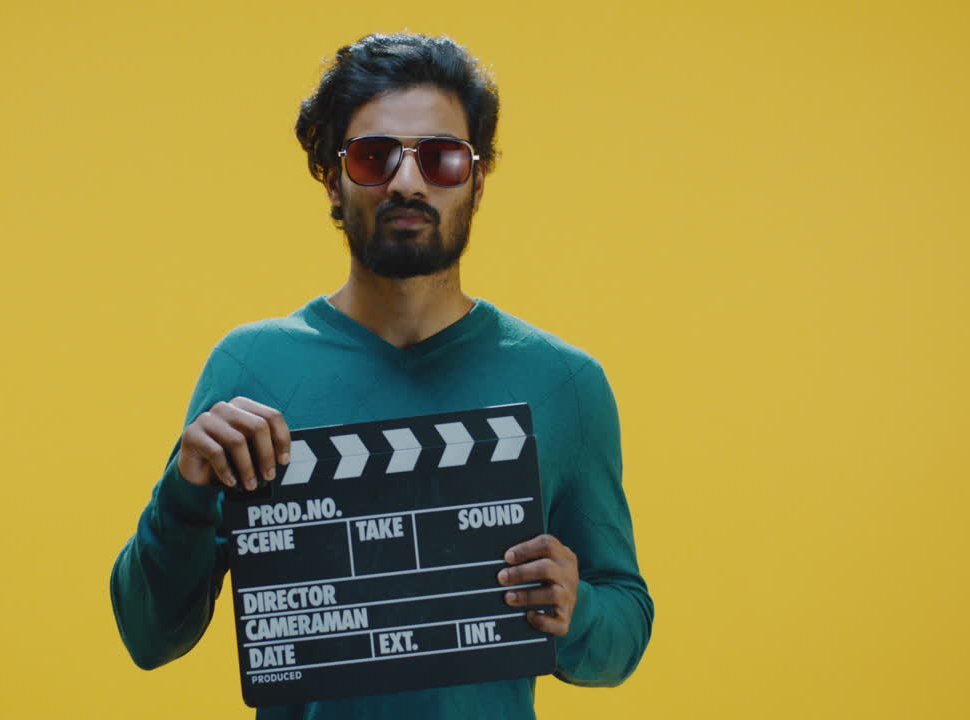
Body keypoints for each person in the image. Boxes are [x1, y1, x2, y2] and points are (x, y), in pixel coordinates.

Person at [109, 31, 653, 719]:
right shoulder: (251, 369)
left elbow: (625, 626)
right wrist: (184, 492)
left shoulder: (564, 383)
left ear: (476, 179)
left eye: (441, 157)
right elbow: (149, 635)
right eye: (373, 157)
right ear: (331, 178)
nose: (406, 180)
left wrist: (580, 611)